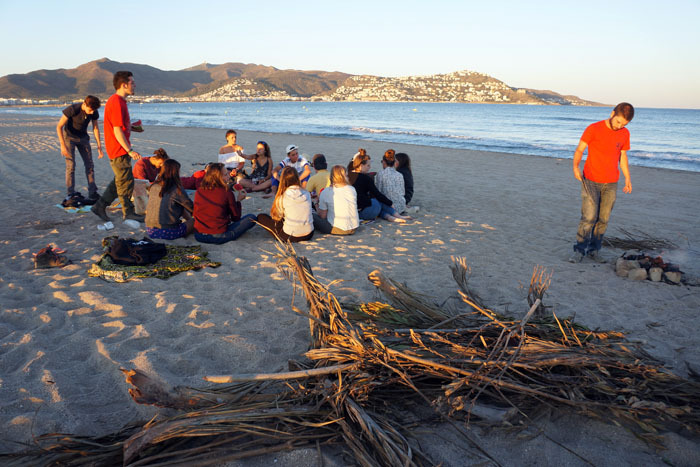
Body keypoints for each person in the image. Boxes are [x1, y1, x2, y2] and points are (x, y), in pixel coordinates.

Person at [569, 102, 635, 263]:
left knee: (603, 219)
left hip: (611, 182)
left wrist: (627, 178)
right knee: (589, 218)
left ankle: (594, 250)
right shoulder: (593, 128)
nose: (620, 126)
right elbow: (579, 150)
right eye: (618, 122)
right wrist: (575, 167)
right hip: (590, 179)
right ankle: (579, 250)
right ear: (612, 114)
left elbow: (623, 157)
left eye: (624, 124)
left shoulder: (625, 134)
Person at [90, 71, 145, 222]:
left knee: (120, 181)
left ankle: (99, 206)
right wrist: (130, 150)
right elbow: (116, 130)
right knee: (126, 182)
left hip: (118, 148)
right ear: (124, 85)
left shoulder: (119, 102)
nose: (134, 85)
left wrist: (132, 127)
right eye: (132, 83)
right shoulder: (116, 102)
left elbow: (119, 126)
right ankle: (129, 213)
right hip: (118, 149)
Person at [56, 95, 104, 203]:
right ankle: (70, 194)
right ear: (84, 104)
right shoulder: (73, 109)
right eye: (90, 110)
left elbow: (95, 128)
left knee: (90, 165)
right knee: (71, 166)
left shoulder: (94, 112)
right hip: (69, 138)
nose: (92, 113)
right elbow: (59, 127)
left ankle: (92, 192)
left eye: (94, 111)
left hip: (83, 138)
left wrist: (99, 146)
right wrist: (62, 146)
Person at [193, 163, 257, 244]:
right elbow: (236, 217)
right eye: (226, 175)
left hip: (198, 235)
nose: (229, 176)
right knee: (251, 217)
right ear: (218, 177)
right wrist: (238, 201)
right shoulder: (226, 192)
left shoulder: (199, 191)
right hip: (219, 236)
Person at [347, 149, 410, 223]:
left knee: (376, 203)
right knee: (377, 201)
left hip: (349, 212)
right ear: (361, 165)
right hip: (363, 213)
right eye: (368, 165)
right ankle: (397, 216)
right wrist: (390, 203)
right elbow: (377, 194)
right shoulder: (366, 178)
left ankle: (390, 217)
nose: (369, 168)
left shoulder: (346, 175)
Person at [258, 167, 314, 242]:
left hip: (290, 235)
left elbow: (277, 217)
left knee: (261, 217)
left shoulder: (282, 197)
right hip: (309, 234)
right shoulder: (306, 193)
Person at [144, 159, 194, 240]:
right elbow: (191, 207)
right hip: (168, 231)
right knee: (195, 222)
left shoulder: (154, 186)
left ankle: (189, 221)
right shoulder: (176, 189)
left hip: (150, 230)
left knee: (178, 206)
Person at [313, 165, 359, 235]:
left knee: (313, 216)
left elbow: (322, 216)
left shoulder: (326, 192)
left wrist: (316, 203)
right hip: (354, 227)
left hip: (338, 228)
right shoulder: (351, 189)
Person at [375, 149, 406, 215]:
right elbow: (402, 192)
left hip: (389, 206)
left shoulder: (380, 174)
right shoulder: (400, 175)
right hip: (401, 206)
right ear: (394, 162)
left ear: (384, 162)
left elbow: (378, 192)